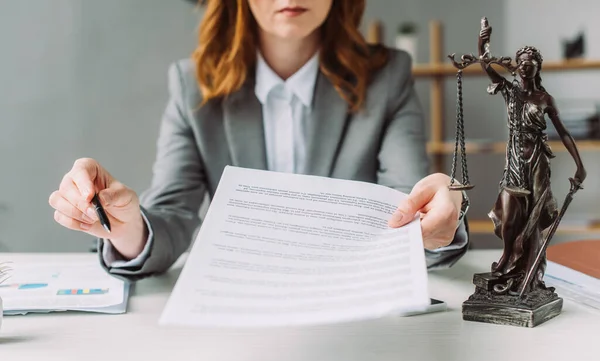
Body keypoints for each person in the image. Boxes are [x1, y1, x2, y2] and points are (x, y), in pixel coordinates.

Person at [48, 0, 469, 280]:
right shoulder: (193, 86)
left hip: (353, 305)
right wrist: (126, 227)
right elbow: (172, 213)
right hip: (237, 314)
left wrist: (435, 219)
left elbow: (408, 204)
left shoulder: (387, 76)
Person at [478, 21, 586, 293]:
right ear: (516, 65)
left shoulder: (545, 98)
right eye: (521, 61)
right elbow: (485, 65)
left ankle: (530, 275)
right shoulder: (509, 90)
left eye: (531, 61)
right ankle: (506, 258)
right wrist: (483, 42)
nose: (525, 65)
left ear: (538, 67)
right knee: (510, 215)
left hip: (537, 161)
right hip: (514, 161)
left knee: (534, 220)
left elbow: (564, 133)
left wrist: (580, 165)